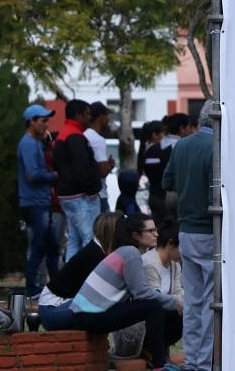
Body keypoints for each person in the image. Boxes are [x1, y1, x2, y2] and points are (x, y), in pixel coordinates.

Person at [70, 213, 182, 371]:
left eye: (155, 230)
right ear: (136, 235)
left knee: (153, 307)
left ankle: (156, 359)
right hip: (88, 316)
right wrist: (175, 302)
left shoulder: (127, 252)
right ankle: (159, 365)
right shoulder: (131, 253)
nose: (156, 234)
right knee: (153, 307)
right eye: (150, 231)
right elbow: (142, 294)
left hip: (88, 314)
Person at [163, 101, 214, 371]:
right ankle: (204, 364)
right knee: (209, 302)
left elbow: (166, 183)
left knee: (193, 301)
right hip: (210, 231)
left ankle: (193, 360)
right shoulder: (217, 147)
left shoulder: (181, 146)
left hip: (186, 231)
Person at [38, 211, 123, 330]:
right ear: (112, 232)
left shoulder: (100, 251)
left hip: (63, 307)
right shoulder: (94, 254)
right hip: (53, 310)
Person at [111, 225, 184, 362]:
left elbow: (178, 292)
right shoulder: (149, 263)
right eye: (182, 249)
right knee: (173, 314)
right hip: (140, 322)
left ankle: (156, 350)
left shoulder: (175, 265)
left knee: (183, 315)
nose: (185, 253)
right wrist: (177, 302)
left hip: (162, 314)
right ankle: (150, 350)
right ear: (170, 244)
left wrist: (179, 302)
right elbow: (153, 297)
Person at [18, 104, 61, 299]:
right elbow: (32, 175)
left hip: (41, 202)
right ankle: (33, 288)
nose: (47, 125)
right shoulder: (27, 144)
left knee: (51, 246)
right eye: (43, 121)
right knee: (40, 245)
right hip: (34, 202)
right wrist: (56, 175)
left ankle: (57, 285)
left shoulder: (36, 142)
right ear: (31, 122)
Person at [52, 99, 102, 260]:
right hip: (79, 195)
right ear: (78, 115)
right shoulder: (75, 137)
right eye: (87, 114)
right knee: (89, 238)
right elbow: (82, 168)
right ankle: (84, 278)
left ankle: (70, 280)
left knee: (74, 239)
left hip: (68, 194)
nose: (89, 118)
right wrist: (91, 190)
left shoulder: (64, 134)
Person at [147, 114, 190, 229]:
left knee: (158, 234)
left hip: (153, 196)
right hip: (173, 199)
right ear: (182, 128)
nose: (190, 131)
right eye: (188, 127)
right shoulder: (183, 147)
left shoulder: (152, 149)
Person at [84, 102, 116, 213]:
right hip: (99, 195)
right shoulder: (97, 139)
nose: (108, 119)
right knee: (103, 229)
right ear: (100, 116)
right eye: (107, 115)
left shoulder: (84, 134)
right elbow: (102, 171)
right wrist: (109, 166)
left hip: (85, 196)